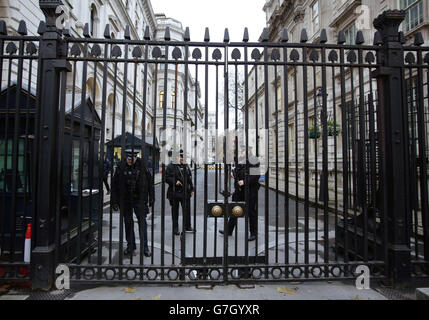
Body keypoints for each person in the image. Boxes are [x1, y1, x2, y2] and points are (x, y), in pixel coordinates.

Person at [111, 148, 154, 257]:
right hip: (125, 200)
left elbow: (150, 184)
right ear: (126, 157)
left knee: (142, 223)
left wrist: (151, 199)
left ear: (136, 157)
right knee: (128, 223)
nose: (130, 160)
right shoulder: (121, 166)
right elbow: (115, 184)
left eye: (133, 158)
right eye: (129, 158)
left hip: (139, 199)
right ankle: (131, 246)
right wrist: (114, 201)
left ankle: (145, 248)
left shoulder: (143, 166)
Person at [220, 149, 260, 241]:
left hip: (250, 191)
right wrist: (233, 173)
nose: (241, 153)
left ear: (249, 151)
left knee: (251, 212)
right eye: (241, 151)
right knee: (234, 209)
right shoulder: (240, 160)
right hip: (239, 190)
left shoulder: (254, 160)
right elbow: (237, 170)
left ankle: (253, 233)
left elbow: (255, 176)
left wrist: (245, 182)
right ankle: (229, 230)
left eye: (243, 151)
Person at [166, 150, 195, 235]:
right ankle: (175, 229)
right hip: (174, 192)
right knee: (175, 211)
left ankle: (187, 227)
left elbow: (189, 179)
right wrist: (175, 182)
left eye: (183, 157)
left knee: (187, 210)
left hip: (185, 192)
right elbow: (166, 178)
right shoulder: (170, 166)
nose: (182, 158)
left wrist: (192, 189)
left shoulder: (186, 166)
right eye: (180, 156)